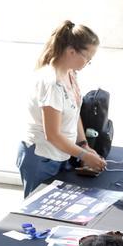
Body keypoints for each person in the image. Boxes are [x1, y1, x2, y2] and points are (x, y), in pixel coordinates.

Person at [17, 20, 106, 197]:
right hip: (42, 157)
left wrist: (83, 144)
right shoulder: (52, 83)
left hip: (60, 155)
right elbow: (53, 134)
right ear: (71, 51)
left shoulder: (70, 74)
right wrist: (84, 155)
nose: (88, 63)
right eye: (88, 58)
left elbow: (74, 112)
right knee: (37, 213)